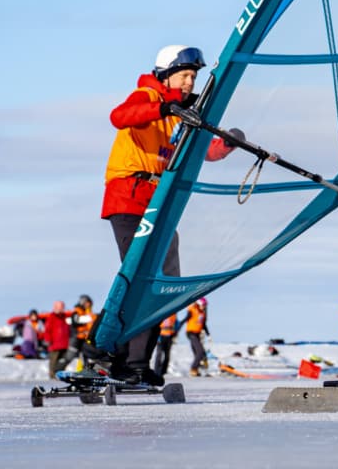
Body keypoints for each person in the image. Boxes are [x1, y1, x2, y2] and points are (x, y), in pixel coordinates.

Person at [97, 45, 241, 385]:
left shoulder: (180, 113)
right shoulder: (146, 94)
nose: (191, 81)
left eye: (194, 76)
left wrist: (228, 143)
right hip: (129, 198)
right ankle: (108, 354)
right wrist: (164, 106)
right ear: (166, 74)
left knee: (164, 282)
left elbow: (202, 151)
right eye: (185, 75)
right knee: (140, 278)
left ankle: (137, 363)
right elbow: (119, 117)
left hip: (158, 205)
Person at [63, 294, 96, 370]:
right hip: (77, 337)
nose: (89, 305)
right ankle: (59, 370)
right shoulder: (77, 311)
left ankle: (82, 370)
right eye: (87, 303)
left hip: (85, 337)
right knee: (71, 355)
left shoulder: (87, 311)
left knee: (85, 355)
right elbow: (75, 322)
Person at [44, 301, 71, 379]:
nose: (61, 309)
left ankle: (60, 374)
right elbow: (47, 330)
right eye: (59, 308)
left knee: (62, 361)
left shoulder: (64, 317)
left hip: (64, 344)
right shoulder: (51, 317)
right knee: (53, 361)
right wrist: (48, 340)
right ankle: (52, 375)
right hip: (54, 344)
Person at [184, 298, 209, 377]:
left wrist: (208, 334)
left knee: (199, 352)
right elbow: (185, 319)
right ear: (198, 304)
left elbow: (204, 325)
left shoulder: (203, 313)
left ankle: (197, 369)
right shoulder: (192, 310)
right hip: (191, 333)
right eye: (203, 305)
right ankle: (193, 369)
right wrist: (176, 330)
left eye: (205, 306)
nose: (204, 307)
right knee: (200, 352)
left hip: (197, 334)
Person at [152, 313, 179, 377]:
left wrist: (175, 334)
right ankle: (156, 371)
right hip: (161, 336)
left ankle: (163, 372)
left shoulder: (173, 314)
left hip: (169, 337)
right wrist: (157, 336)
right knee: (159, 354)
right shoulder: (162, 312)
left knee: (167, 355)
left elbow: (177, 324)